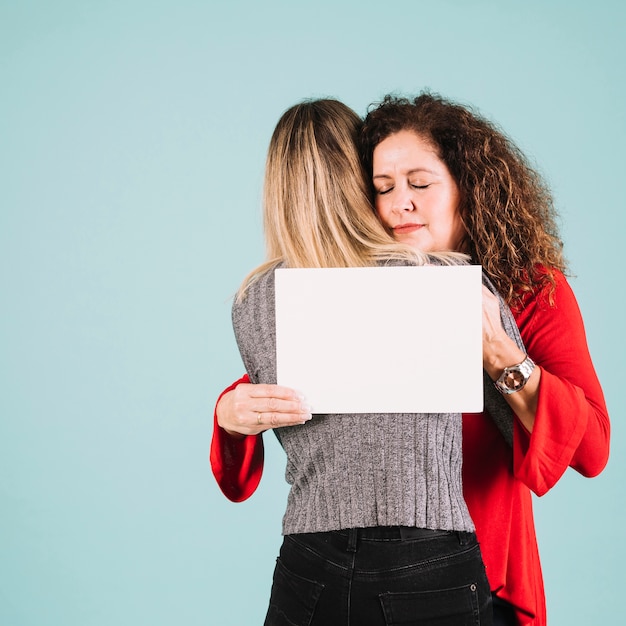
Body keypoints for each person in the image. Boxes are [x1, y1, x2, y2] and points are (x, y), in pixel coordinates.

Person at [211, 93, 611, 625]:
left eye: (421, 184)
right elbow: (294, 386)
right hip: (348, 558)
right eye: (381, 189)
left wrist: (500, 356)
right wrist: (230, 414)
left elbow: (590, 450)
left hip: (482, 567)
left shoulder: (531, 290)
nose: (402, 203)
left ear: (468, 187)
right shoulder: (356, 294)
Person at [220, 97, 496, 625]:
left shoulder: (252, 301)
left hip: (309, 558)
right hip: (430, 553)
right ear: (360, 175)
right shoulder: (445, 279)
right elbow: (513, 420)